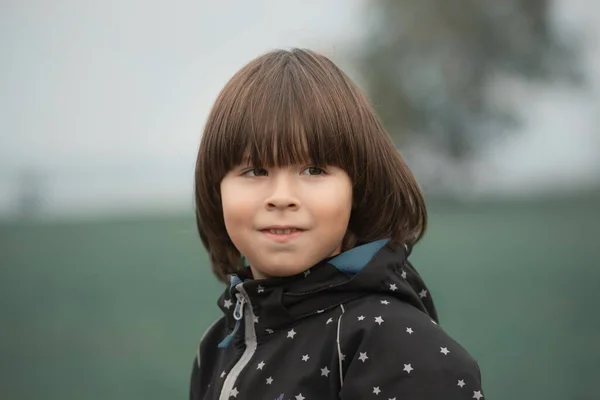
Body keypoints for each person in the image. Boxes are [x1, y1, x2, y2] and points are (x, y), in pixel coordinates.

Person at [190, 48, 484, 400]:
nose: (281, 196)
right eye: (255, 171)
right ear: (215, 189)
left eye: (313, 170)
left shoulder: (394, 347)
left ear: (357, 189)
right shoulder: (218, 345)